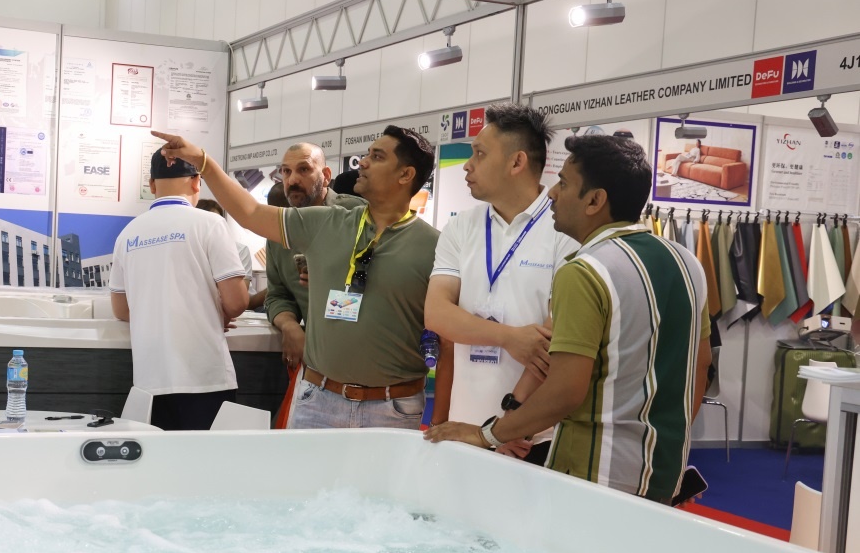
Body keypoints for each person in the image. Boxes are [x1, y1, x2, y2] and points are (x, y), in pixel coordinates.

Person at [426, 134, 711, 505]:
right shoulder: (687, 263)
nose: (552, 194)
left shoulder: (586, 271)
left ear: (595, 200)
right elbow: (700, 367)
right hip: (662, 470)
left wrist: (488, 434)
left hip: (593, 473)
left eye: (563, 183)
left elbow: (565, 390)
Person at [153, 126, 446, 430]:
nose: (363, 162)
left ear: (405, 175)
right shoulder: (325, 222)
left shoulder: (435, 247)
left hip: (392, 410)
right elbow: (251, 212)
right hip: (318, 402)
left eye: (377, 156)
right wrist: (203, 161)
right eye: (368, 154)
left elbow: (446, 344)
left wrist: (440, 420)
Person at [424, 103, 578, 464]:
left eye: (479, 154)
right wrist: (509, 337)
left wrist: (509, 426)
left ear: (516, 162)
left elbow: (555, 340)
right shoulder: (461, 226)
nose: (467, 165)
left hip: (533, 439)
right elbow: (436, 313)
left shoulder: (563, 230)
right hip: (463, 431)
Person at [109, 152, 249, 430]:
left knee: (159, 456)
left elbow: (121, 309)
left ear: (151, 184)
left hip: (149, 382)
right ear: (197, 182)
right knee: (206, 455)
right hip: (205, 379)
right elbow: (237, 302)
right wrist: (212, 311)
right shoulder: (210, 224)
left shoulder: (128, 233)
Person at [265, 143, 363, 370]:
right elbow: (277, 295)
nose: (292, 180)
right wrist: (289, 325)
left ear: (326, 176)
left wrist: (332, 281)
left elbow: (385, 288)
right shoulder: (280, 229)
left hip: (364, 359)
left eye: (304, 169)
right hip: (315, 365)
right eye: (286, 171)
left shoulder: (357, 216)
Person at [196, 198, 265, 310]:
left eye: (216, 222)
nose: (212, 227)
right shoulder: (192, 250)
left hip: (243, 307)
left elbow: (238, 296)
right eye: (206, 223)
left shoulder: (239, 250)